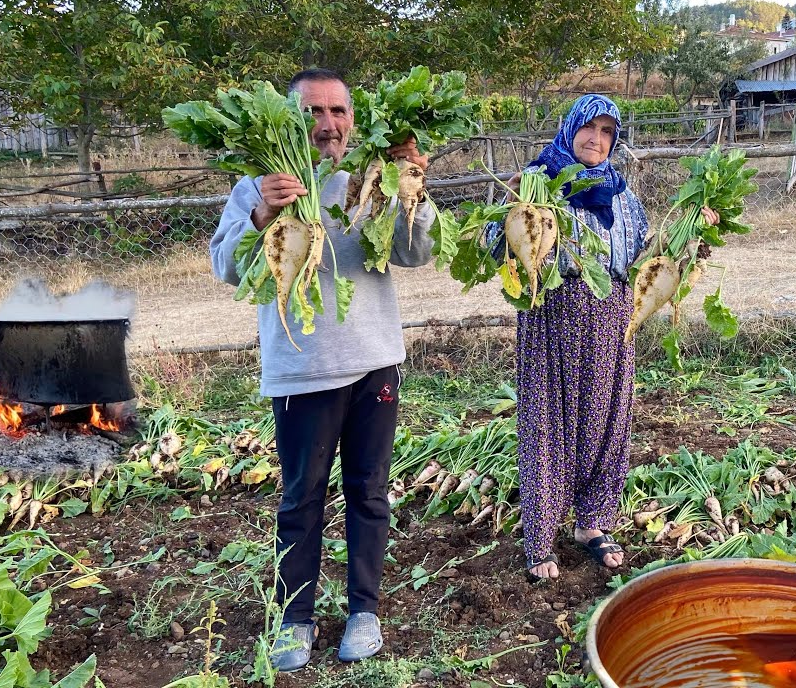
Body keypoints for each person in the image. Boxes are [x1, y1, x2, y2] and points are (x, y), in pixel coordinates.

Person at [208, 68, 433, 671]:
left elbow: (417, 252)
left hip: (374, 361)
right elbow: (224, 266)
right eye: (313, 112)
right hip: (303, 371)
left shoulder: (373, 179)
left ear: (353, 120)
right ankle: (295, 618)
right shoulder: (258, 186)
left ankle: (364, 610)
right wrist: (259, 215)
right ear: (291, 119)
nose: (327, 124)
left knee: (369, 492)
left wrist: (410, 186)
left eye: (338, 111)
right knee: (301, 498)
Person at [489, 94, 716, 582]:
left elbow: (644, 255)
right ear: (570, 129)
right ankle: (541, 536)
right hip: (551, 317)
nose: (597, 139)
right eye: (589, 129)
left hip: (613, 321)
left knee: (606, 423)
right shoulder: (538, 181)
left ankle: (592, 524)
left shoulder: (622, 195)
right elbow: (495, 247)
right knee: (547, 423)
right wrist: (510, 207)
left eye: (608, 132)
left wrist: (693, 232)